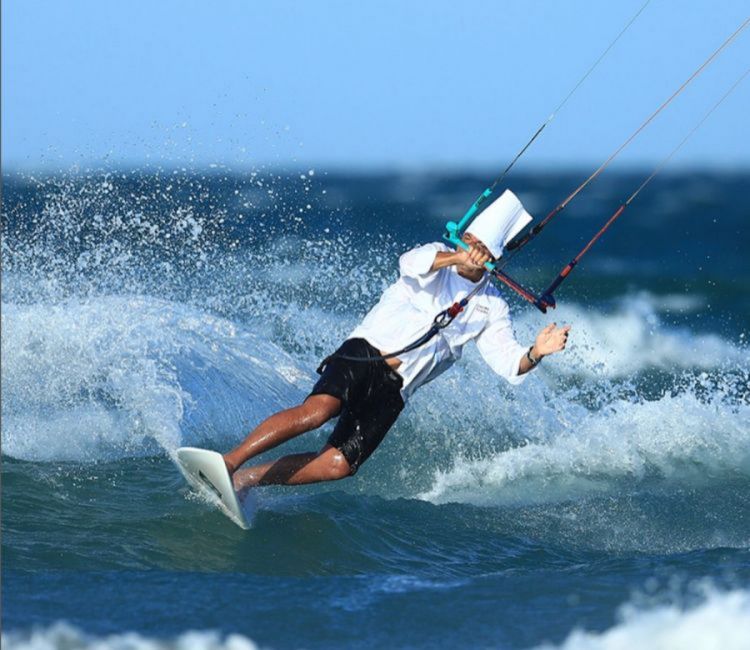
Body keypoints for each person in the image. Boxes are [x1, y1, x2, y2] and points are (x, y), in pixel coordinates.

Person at [224, 190, 570, 491]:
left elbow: (508, 362)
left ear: (493, 258)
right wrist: (455, 257)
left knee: (338, 465)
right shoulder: (437, 256)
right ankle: (230, 462)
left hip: (396, 389)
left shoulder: (491, 305)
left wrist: (536, 352)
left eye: (481, 249)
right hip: (365, 354)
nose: (471, 250)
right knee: (318, 413)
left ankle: (246, 480)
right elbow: (410, 263)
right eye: (469, 241)